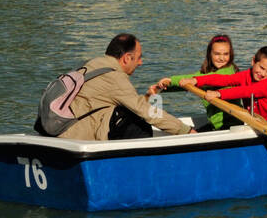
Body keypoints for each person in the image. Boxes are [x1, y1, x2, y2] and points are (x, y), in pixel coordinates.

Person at [56, 33, 194, 140]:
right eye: (138, 57)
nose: (140, 62)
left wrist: (147, 98)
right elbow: (147, 113)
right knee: (139, 125)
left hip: (62, 130)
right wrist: (186, 130)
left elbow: (124, 102)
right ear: (127, 58)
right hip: (76, 135)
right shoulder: (114, 77)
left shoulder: (91, 64)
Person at [149, 34, 244, 130]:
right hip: (215, 125)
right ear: (209, 54)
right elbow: (189, 83)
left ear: (231, 54)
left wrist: (172, 80)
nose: (222, 58)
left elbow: (201, 78)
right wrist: (164, 87)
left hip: (232, 126)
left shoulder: (229, 71)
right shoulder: (205, 73)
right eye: (217, 54)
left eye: (226, 54)